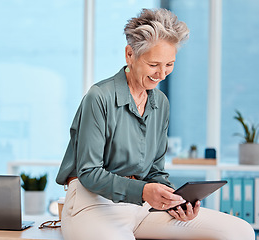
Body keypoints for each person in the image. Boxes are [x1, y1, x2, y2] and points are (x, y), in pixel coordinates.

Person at [56, 8, 255, 240]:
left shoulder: (160, 102)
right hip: (92, 204)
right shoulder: (99, 97)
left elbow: (155, 171)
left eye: (169, 64)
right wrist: (143, 191)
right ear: (130, 54)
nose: (162, 74)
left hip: (142, 206)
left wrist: (174, 201)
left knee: (240, 232)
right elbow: (89, 172)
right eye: (154, 64)